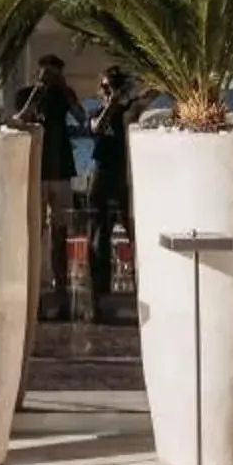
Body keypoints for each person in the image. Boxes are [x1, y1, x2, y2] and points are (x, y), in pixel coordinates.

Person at [14, 54, 85, 320]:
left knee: (60, 232)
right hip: (38, 171)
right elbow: (20, 120)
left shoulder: (64, 96)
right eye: (48, 73)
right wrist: (37, 92)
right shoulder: (25, 94)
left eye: (55, 74)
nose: (51, 79)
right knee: (35, 231)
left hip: (62, 171)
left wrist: (65, 90)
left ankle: (61, 288)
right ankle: (35, 286)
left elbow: (80, 118)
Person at [87, 65, 136, 320]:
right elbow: (96, 128)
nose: (107, 92)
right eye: (104, 87)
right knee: (98, 236)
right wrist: (111, 103)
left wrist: (124, 97)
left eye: (111, 87)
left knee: (134, 234)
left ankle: (141, 289)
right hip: (102, 176)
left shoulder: (129, 112)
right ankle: (98, 295)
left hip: (125, 178)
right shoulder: (99, 112)